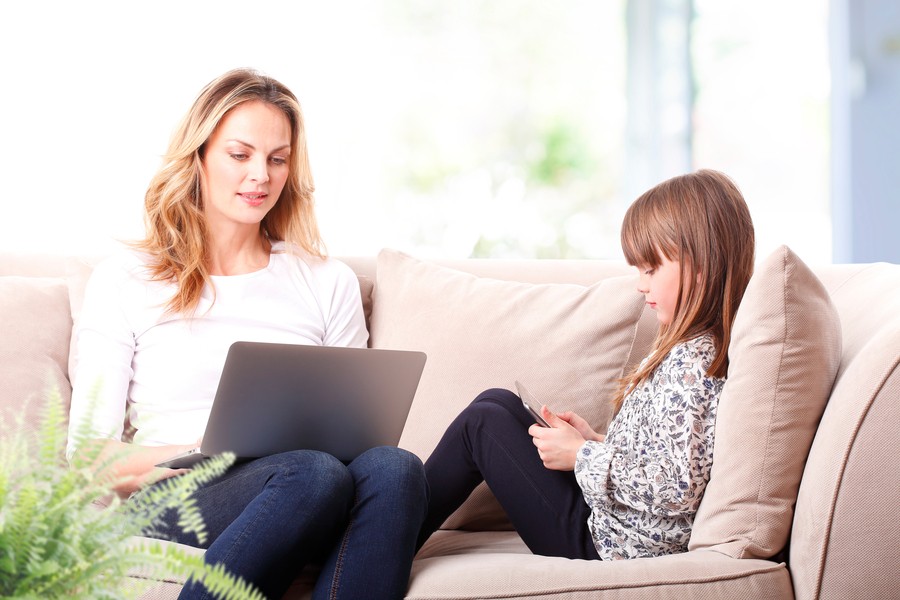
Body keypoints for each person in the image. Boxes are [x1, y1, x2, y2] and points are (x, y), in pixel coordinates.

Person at [67, 68, 428, 600]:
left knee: (395, 467)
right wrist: (211, 448)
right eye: (240, 155)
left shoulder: (325, 281)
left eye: (277, 159)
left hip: (313, 484)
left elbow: (360, 436)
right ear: (200, 157)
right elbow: (90, 458)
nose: (261, 175)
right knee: (312, 472)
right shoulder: (128, 279)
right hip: (176, 492)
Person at [417, 169, 755, 560]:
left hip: (605, 542)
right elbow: (661, 456)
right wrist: (593, 440)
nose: (641, 285)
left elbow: (678, 489)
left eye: (650, 269)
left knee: (483, 424)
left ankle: (377, 540)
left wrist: (581, 455)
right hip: (608, 520)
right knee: (497, 403)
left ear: (702, 265)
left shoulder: (695, 363)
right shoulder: (683, 350)